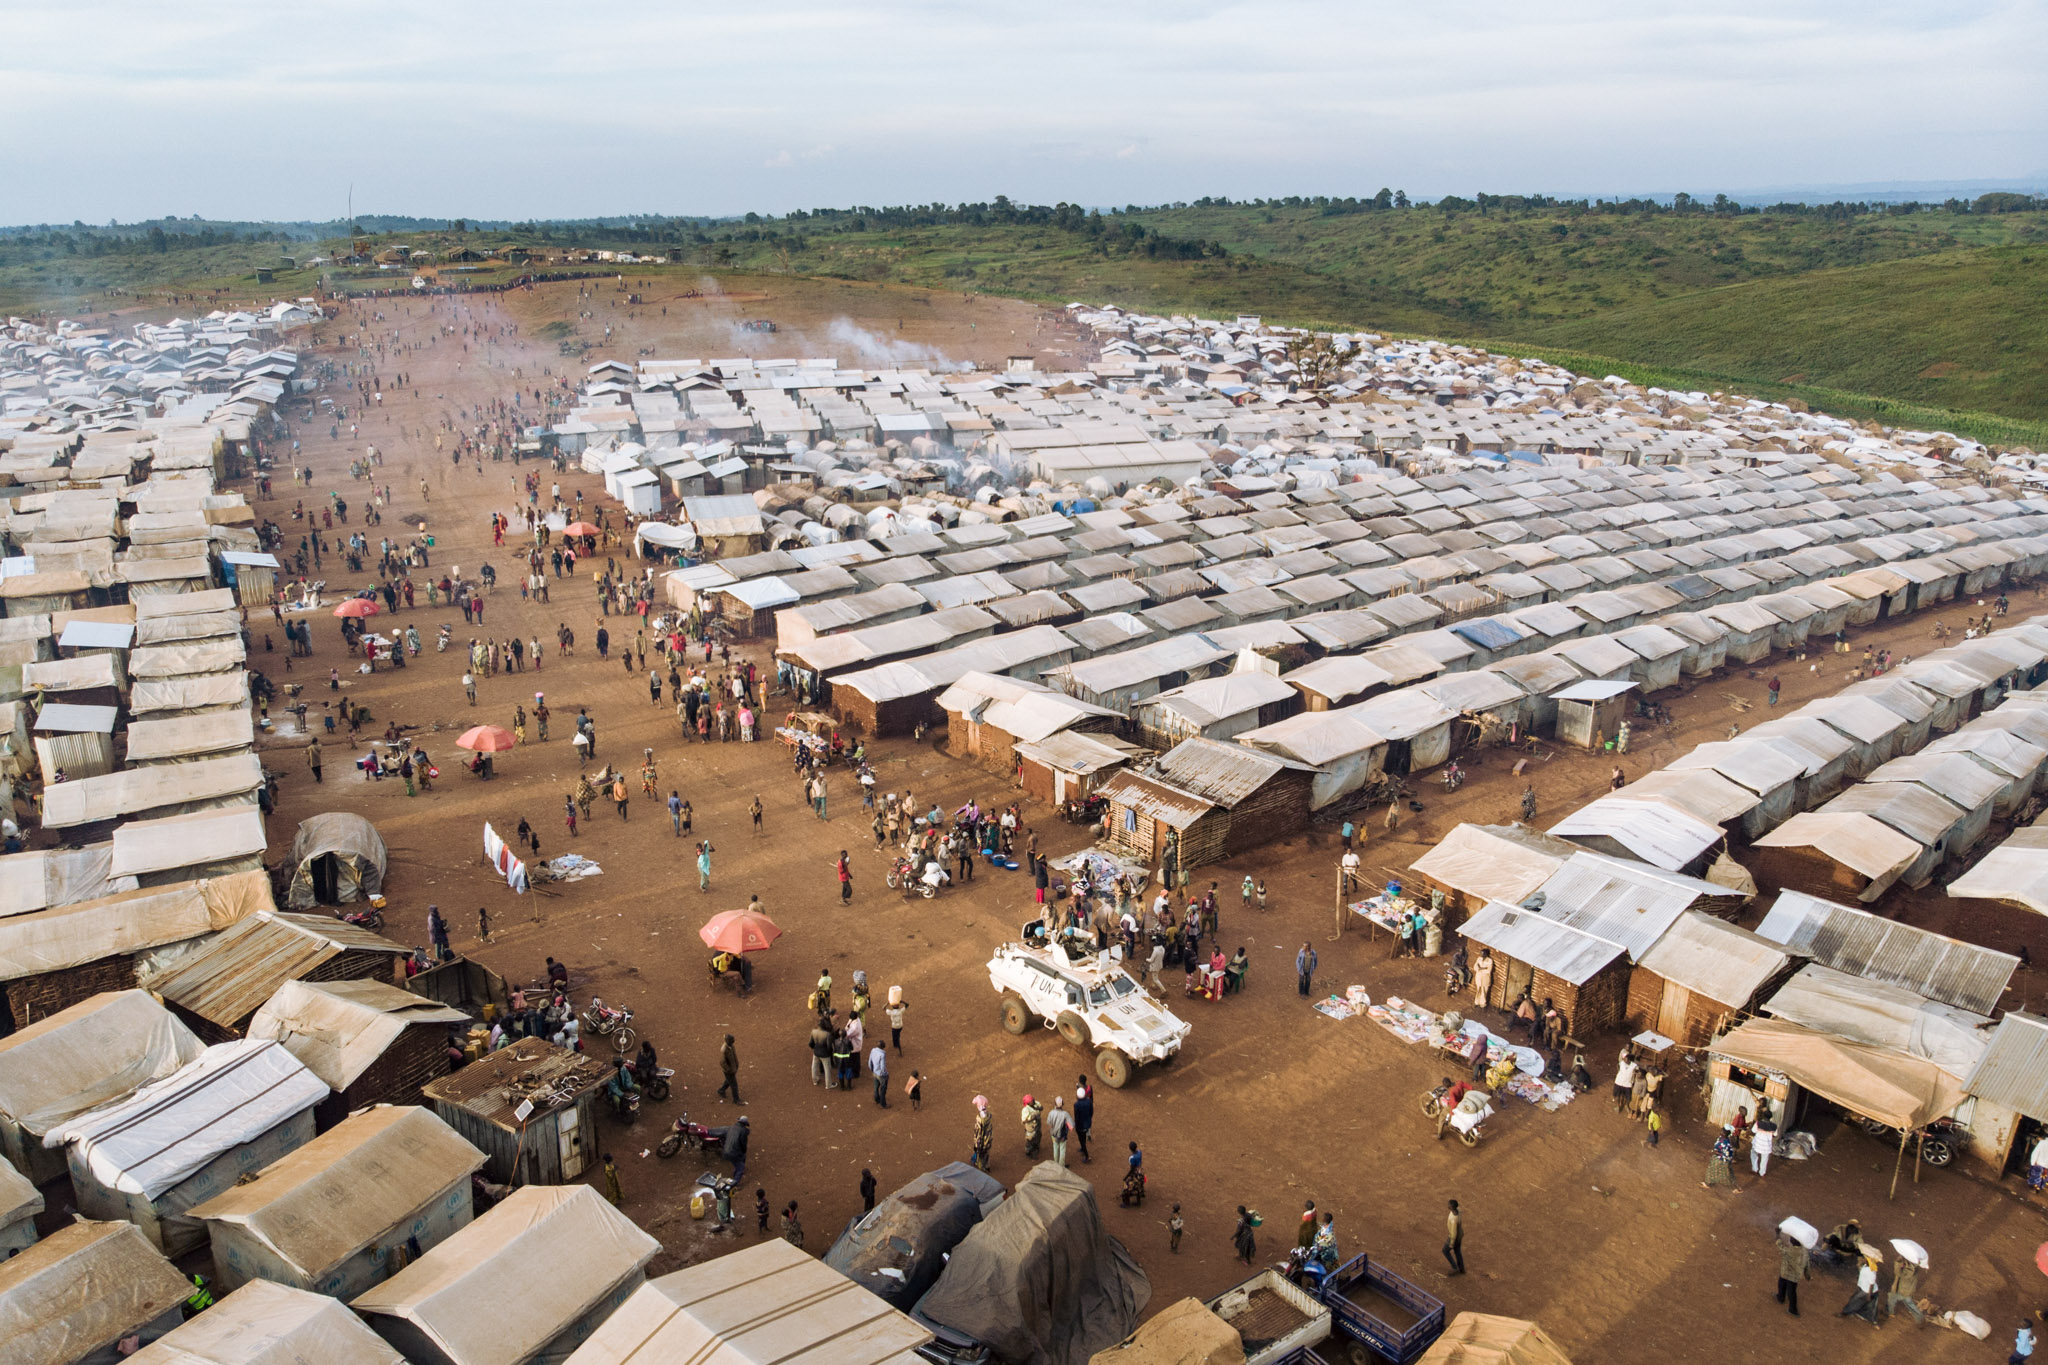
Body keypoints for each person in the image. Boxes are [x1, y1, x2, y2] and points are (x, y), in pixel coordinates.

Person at [1839, 1251, 1881, 1326]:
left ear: (1868, 1262)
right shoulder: (1867, 1267)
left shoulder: (1871, 1272)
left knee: (1854, 1300)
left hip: (1867, 1291)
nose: (1864, 1259)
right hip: (1870, 1290)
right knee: (1871, 1306)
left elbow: (1871, 1284)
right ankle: (1872, 1320)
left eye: (1866, 1259)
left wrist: (1869, 1295)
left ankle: (1845, 1312)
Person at [1775, 1231, 1808, 1316]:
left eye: (1792, 1239)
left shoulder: (1791, 1251)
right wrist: (1807, 1275)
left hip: (1788, 1272)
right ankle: (1781, 1297)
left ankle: (1792, 1309)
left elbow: (1780, 1246)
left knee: (1789, 1290)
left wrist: (1777, 1235)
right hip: (1796, 1274)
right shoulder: (1804, 1250)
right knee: (1788, 1288)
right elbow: (1807, 1263)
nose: (1790, 1239)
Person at [1887, 1252, 1926, 1324]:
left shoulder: (1910, 1269)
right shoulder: (1914, 1266)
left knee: (1894, 1299)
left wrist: (1898, 1263)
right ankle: (1920, 1318)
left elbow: (1899, 1274)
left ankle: (1890, 1312)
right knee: (1907, 1303)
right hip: (1906, 1289)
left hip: (1903, 1290)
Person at [1702, 1125, 1739, 1190]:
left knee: (1727, 1175)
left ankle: (1736, 1188)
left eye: (1724, 1132)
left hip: (1722, 1160)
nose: (1722, 1132)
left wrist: (1715, 1152)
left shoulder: (1726, 1143)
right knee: (1712, 1169)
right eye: (1722, 1130)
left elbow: (1727, 1155)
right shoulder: (1721, 1138)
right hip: (1718, 1158)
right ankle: (1708, 1183)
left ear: (1728, 1134)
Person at [1046, 1095, 1072, 1165]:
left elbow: (1050, 1125)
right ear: (1062, 1104)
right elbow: (1071, 1127)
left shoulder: (1051, 1113)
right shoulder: (1065, 1114)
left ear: (1055, 1104)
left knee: (1055, 1148)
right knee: (1062, 1150)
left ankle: (1055, 1164)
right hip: (1062, 1136)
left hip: (1054, 1135)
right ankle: (1061, 1166)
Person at [1443, 1199, 1465, 1275]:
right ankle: (1461, 1269)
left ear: (1451, 1207)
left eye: (1449, 1204)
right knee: (1457, 1252)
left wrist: (1451, 1243)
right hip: (1460, 1235)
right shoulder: (1458, 1210)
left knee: (1445, 1251)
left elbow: (1453, 1233)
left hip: (1454, 1238)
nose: (1448, 1205)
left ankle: (1455, 1267)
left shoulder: (1453, 1220)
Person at [1074, 1077, 1094, 1163]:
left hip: (1080, 1126)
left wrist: (1076, 1124)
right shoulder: (1089, 1101)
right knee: (1084, 1136)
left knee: (1081, 1140)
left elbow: (1076, 1116)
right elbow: (1091, 1112)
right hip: (1088, 1123)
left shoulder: (1077, 1104)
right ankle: (1083, 1148)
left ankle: (1087, 1156)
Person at [971, 1095, 993, 1171]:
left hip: (982, 1141)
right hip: (988, 1139)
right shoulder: (989, 1116)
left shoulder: (980, 1120)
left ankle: (981, 1167)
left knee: (980, 1155)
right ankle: (986, 1166)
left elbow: (979, 1133)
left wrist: (978, 1144)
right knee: (986, 1153)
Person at [1121, 1141, 1145, 1206]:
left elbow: (1132, 1170)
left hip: (1136, 1175)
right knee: (1139, 1185)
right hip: (1141, 1172)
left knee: (1126, 1187)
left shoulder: (1132, 1158)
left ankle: (1126, 1203)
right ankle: (1139, 1198)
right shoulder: (1139, 1152)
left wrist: (1126, 1177)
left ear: (1130, 1149)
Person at [718, 1034, 741, 1103]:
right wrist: (729, 1070)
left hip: (733, 1068)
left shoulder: (730, 1046)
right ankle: (736, 1100)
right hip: (729, 1071)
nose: (733, 1042)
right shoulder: (724, 1050)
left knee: (729, 1080)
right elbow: (722, 1062)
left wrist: (736, 1065)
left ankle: (721, 1090)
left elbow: (734, 1056)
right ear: (728, 1041)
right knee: (734, 1085)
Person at [1020, 1094, 1043, 1159]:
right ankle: (1029, 1152)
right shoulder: (1025, 1110)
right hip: (1030, 1126)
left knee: (1038, 1135)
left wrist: (1038, 1108)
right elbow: (1024, 1120)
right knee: (1030, 1139)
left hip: (1037, 1124)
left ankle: (1036, 1147)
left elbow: (1041, 1107)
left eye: (1032, 1100)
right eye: (1031, 1101)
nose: (1032, 1101)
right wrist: (1032, 1117)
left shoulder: (1036, 1103)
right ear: (1027, 1103)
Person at [868, 1040, 889, 1106]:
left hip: (875, 1072)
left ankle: (877, 1099)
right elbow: (882, 1066)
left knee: (876, 1087)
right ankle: (883, 1104)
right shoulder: (882, 1054)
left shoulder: (873, 1050)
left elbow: (870, 1061)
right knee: (883, 1089)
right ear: (882, 1046)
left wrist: (872, 1069)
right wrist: (885, 1074)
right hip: (881, 1074)